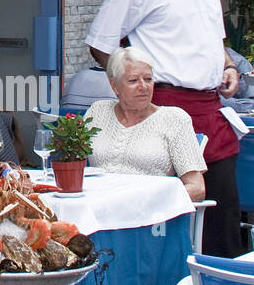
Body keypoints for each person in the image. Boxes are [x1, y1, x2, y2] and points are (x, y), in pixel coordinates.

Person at [87, 0, 242, 256]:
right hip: (163, 108)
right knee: (171, 220)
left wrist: (228, 66)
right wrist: (132, 93)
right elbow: (101, 43)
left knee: (222, 215)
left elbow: (213, 36)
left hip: (211, 108)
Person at [85, 47, 206, 200]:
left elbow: (197, 188)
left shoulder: (174, 119)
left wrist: (150, 200)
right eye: (133, 81)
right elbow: (72, 165)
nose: (143, 87)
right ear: (114, 86)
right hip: (96, 205)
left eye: (148, 79)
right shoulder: (98, 112)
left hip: (149, 215)